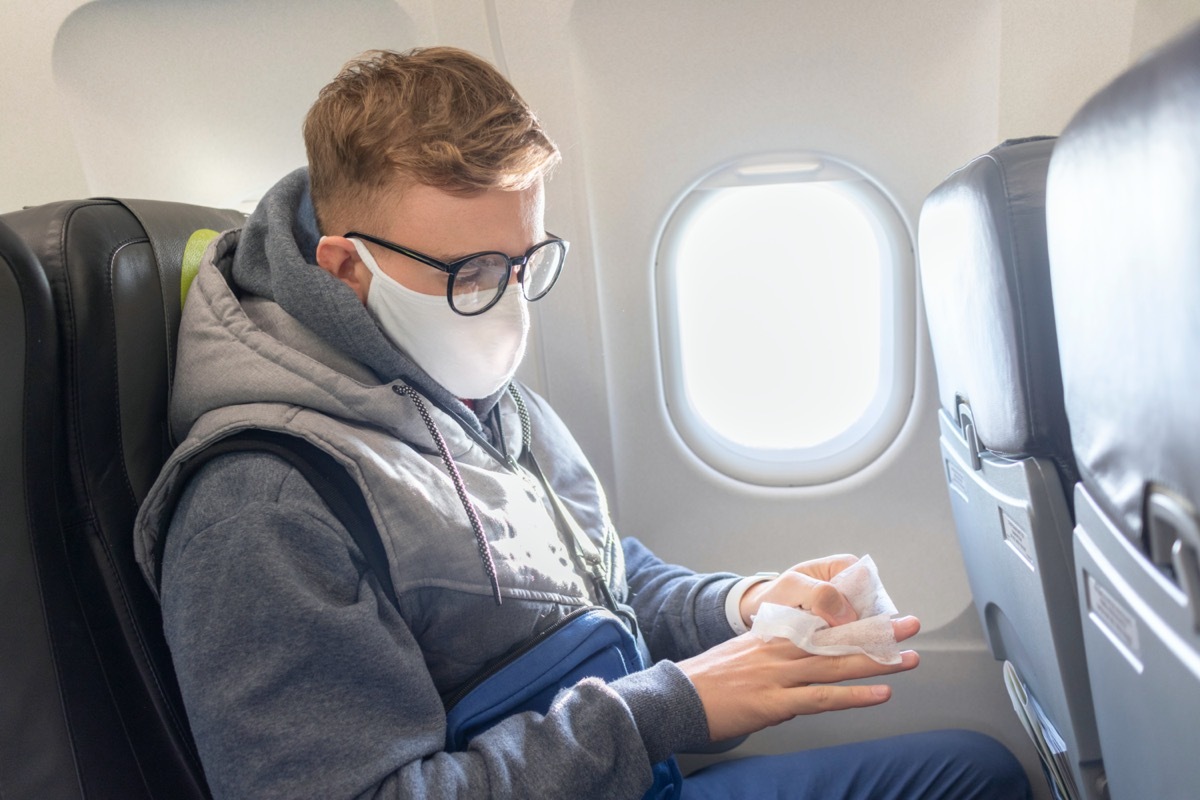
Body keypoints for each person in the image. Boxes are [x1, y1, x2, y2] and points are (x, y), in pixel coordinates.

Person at [134, 47, 1031, 799]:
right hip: (613, 765)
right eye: (473, 273)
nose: (507, 305)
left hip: (623, 773)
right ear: (345, 268)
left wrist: (741, 606)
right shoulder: (259, 506)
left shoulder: (457, 380)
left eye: (528, 263)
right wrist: (676, 704)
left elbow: (590, 581)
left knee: (980, 771)